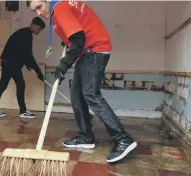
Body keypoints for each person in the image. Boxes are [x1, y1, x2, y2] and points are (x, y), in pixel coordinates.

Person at [27, 0, 137, 163]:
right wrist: (67, 41)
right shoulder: (61, 8)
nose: (38, 13)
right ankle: (86, 137)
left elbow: (78, 39)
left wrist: (64, 64)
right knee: (77, 95)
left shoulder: (60, 8)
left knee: (91, 94)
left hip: (94, 50)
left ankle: (123, 139)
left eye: (39, 7)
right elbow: (76, 34)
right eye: (34, 11)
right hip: (87, 53)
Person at [0, 17, 46, 119]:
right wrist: (38, 72)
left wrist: (29, 65)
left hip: (8, 62)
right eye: (39, 29)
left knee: (3, 85)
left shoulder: (24, 33)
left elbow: (21, 52)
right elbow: (27, 54)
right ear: (34, 25)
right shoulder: (26, 34)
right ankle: (23, 111)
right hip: (10, 63)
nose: (39, 31)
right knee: (20, 84)